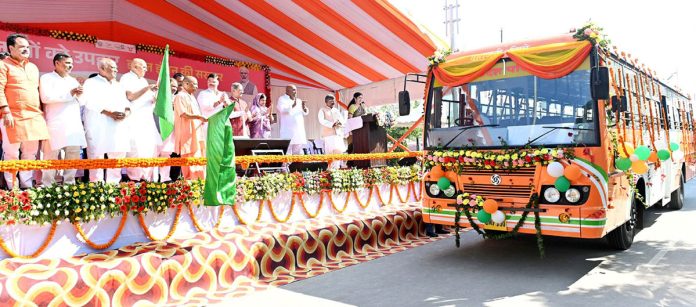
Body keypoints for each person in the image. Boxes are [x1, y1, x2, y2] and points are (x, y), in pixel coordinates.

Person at [0, 33, 50, 189]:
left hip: (33, 116)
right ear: (11, 48)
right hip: (12, 115)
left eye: (27, 47)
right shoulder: (3, 65)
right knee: (12, 154)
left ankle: (26, 185)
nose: (26, 50)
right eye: (22, 47)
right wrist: (5, 110)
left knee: (30, 153)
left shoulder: (33, 67)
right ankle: (12, 187)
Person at [39, 52, 87, 186]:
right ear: (57, 63)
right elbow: (46, 98)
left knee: (73, 155)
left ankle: (69, 184)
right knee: (51, 156)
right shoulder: (46, 78)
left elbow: (82, 102)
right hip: (55, 123)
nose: (70, 66)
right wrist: (70, 93)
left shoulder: (72, 80)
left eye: (71, 63)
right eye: (67, 63)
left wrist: (80, 94)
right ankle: (48, 186)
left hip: (73, 125)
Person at [82, 58, 131, 183]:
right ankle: (96, 187)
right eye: (112, 67)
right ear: (102, 69)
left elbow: (126, 103)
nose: (115, 70)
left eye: (116, 67)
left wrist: (125, 113)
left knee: (117, 155)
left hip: (117, 124)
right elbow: (89, 102)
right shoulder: (91, 82)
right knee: (96, 156)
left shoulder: (119, 85)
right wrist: (109, 113)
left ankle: (113, 185)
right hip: (98, 124)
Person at [120, 58, 160, 181]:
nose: (146, 70)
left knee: (149, 150)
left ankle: (146, 178)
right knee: (135, 150)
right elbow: (130, 96)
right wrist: (147, 88)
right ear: (135, 66)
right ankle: (134, 179)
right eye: (144, 67)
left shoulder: (142, 80)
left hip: (146, 121)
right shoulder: (126, 78)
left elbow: (147, 100)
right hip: (134, 120)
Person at [172, 76, 207, 180]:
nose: (196, 86)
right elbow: (183, 114)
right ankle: (190, 181)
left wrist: (200, 120)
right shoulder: (180, 96)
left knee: (198, 155)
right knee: (189, 156)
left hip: (196, 133)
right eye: (194, 84)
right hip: (187, 133)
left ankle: (199, 180)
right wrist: (199, 117)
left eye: (197, 84)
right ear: (186, 84)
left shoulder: (191, 96)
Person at [157, 77, 178, 182]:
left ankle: (165, 178)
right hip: (158, 128)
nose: (174, 88)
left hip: (170, 129)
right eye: (172, 86)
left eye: (176, 87)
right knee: (155, 153)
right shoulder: (158, 95)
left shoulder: (176, 98)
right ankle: (153, 178)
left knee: (166, 153)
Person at [277, 84, 308, 154]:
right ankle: (286, 165)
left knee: (298, 152)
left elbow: (304, 113)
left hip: (298, 130)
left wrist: (304, 108)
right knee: (287, 151)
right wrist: (293, 105)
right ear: (287, 91)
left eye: (296, 90)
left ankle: (298, 165)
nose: (296, 92)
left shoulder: (299, 100)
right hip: (288, 131)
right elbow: (282, 110)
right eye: (294, 90)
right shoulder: (282, 99)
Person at [318, 94, 347, 169]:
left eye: (333, 101)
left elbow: (342, 120)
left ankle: (336, 168)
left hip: (337, 134)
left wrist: (340, 123)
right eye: (331, 101)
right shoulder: (322, 110)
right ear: (326, 102)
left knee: (338, 151)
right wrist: (332, 124)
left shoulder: (336, 110)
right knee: (330, 152)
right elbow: (321, 120)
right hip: (329, 135)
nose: (333, 103)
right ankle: (330, 168)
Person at [196, 73, 229, 137]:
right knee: (207, 144)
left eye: (213, 82)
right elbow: (204, 106)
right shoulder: (203, 93)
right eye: (209, 81)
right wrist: (219, 102)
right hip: (208, 123)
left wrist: (225, 103)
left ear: (218, 83)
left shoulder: (223, 94)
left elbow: (228, 108)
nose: (211, 83)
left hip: (220, 123)